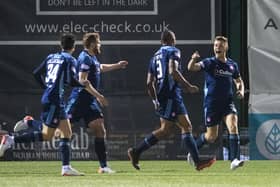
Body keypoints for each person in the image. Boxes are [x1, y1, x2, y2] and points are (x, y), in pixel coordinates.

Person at [0, 33, 91, 176]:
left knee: (65, 132)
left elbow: (36, 73)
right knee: (47, 135)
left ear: (61, 45)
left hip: (53, 98)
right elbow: (70, 80)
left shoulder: (51, 57)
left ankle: (66, 168)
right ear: (73, 47)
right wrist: (82, 84)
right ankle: (15, 136)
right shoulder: (70, 60)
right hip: (55, 100)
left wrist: (46, 87)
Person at [127, 30, 216, 171]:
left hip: (164, 95)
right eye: (174, 39)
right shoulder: (173, 51)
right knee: (179, 127)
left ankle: (136, 151)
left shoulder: (154, 57)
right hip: (171, 94)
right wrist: (188, 86)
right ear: (171, 40)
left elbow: (149, 83)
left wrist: (155, 101)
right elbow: (173, 71)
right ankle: (197, 161)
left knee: (172, 129)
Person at [66, 32, 128, 174]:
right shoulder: (85, 58)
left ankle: (103, 166)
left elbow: (100, 67)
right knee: (57, 132)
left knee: (100, 129)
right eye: (98, 42)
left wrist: (117, 65)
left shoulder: (92, 58)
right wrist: (99, 96)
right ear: (93, 43)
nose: (100, 44)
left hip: (89, 101)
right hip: (79, 100)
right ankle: (26, 127)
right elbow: (82, 81)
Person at [187, 36, 245, 170]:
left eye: (220, 45)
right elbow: (192, 68)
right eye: (215, 45)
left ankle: (234, 160)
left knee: (233, 126)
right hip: (212, 104)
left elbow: (238, 80)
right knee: (211, 136)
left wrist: (240, 90)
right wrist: (193, 59)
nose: (217, 47)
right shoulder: (209, 62)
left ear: (226, 47)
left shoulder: (232, 65)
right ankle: (193, 151)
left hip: (227, 103)